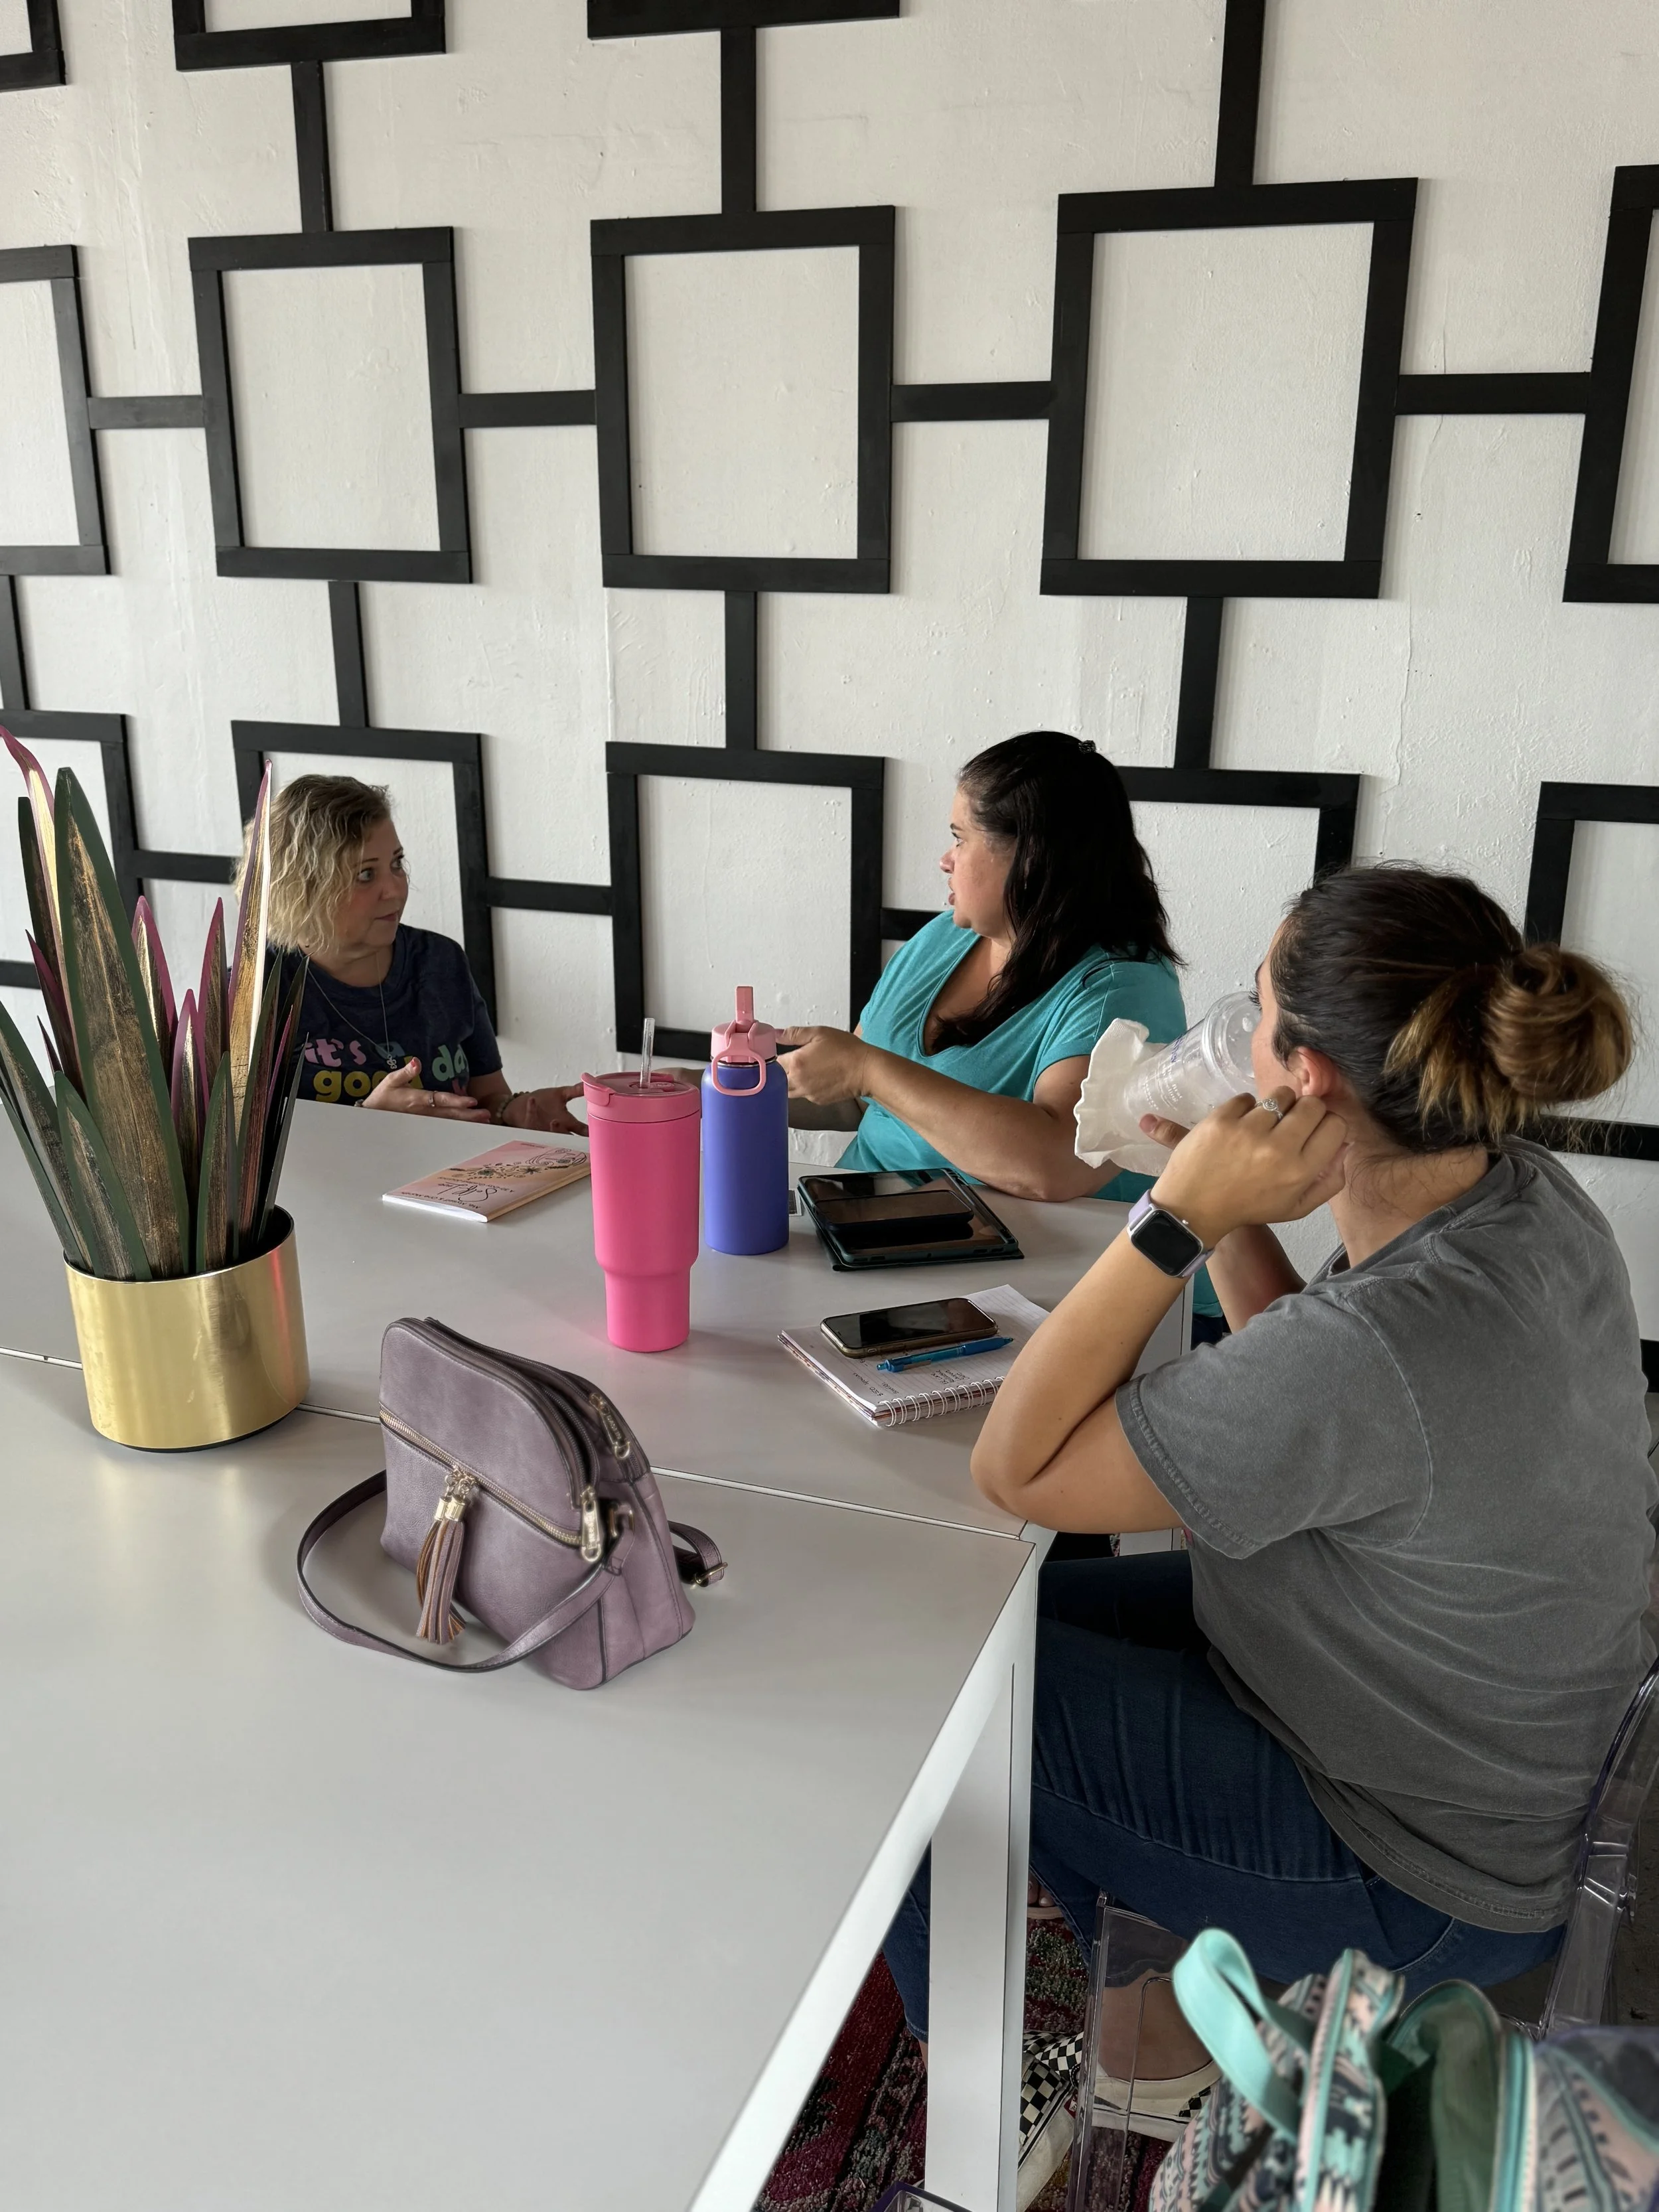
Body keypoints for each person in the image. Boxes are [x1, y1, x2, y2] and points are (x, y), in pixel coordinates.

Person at [883, 863, 1655, 2112]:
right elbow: (1317, 1400)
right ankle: (1151, 1998)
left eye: (1258, 1006)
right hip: (1479, 1759)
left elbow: (1015, 1468)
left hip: (1417, 1873)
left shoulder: (1379, 1346)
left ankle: (980, 2096)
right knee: (973, 1620)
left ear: (1309, 1078)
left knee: (929, 1693)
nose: (1232, 1031)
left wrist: (1171, 1221)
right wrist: (1222, 1204)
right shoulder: (1523, 1200)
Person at [780, 730, 1192, 1207]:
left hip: (1009, 1248)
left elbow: (1057, 1165)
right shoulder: (944, 936)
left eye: (960, 839)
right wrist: (727, 1090)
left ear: (1031, 857)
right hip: (860, 1216)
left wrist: (867, 1068)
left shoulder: (1123, 987)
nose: (945, 860)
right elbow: (857, 1097)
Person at [252, 774, 584, 1129]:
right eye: (366, 875)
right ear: (302, 887)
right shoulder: (257, 992)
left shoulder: (441, 961)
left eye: (396, 864)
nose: (395, 890)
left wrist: (514, 1110)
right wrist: (369, 1121)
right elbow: (239, 1149)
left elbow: (487, 1096)